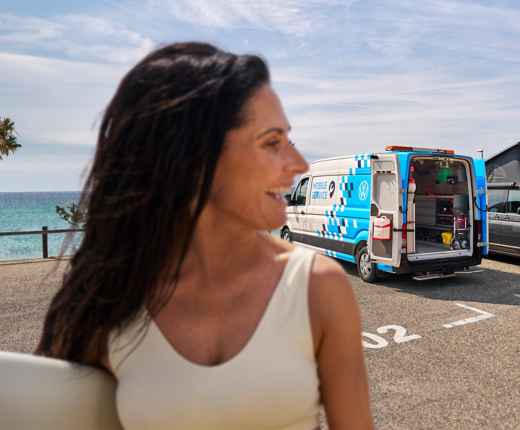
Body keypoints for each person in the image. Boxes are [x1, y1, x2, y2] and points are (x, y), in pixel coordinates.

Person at [35, 42, 374, 430]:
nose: (298, 165)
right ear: (195, 158)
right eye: (272, 143)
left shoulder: (318, 287)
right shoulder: (111, 295)